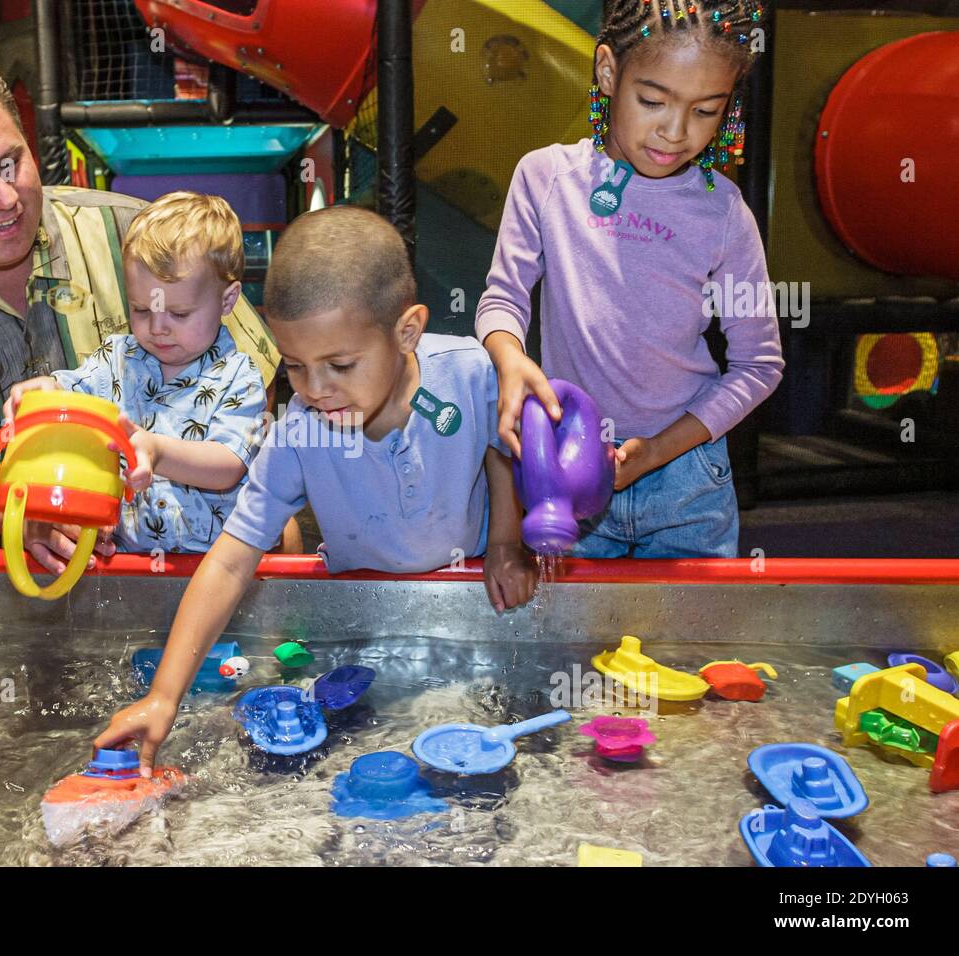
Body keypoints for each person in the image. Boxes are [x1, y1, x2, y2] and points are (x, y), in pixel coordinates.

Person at [94, 206, 537, 775]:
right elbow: (230, 562)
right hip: (361, 622)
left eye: (341, 364)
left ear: (407, 330)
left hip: (467, 599)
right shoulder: (300, 429)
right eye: (296, 366)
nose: (318, 389)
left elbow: (502, 450)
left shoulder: (470, 373)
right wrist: (164, 696)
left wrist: (505, 544)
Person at [0, 44, 281, 570]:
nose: (3, 197)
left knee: (280, 531)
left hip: (162, 512)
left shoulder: (135, 236)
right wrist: (23, 512)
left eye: (9, 163)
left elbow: (257, 372)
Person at [477, 0, 784, 558]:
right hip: (570, 462)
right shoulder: (546, 178)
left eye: (706, 111)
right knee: (573, 645)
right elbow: (504, 297)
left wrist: (660, 450)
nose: (675, 132)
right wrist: (509, 359)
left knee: (692, 646)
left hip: (689, 479)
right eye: (652, 101)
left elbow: (759, 365)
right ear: (607, 71)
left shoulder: (725, 213)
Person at [2, 191, 285, 566]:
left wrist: (158, 451)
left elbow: (228, 465)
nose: (157, 328)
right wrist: (46, 389)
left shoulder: (239, 377)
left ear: (227, 300)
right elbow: (72, 392)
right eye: (141, 309)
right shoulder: (116, 357)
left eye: (179, 314)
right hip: (124, 562)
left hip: (213, 568)